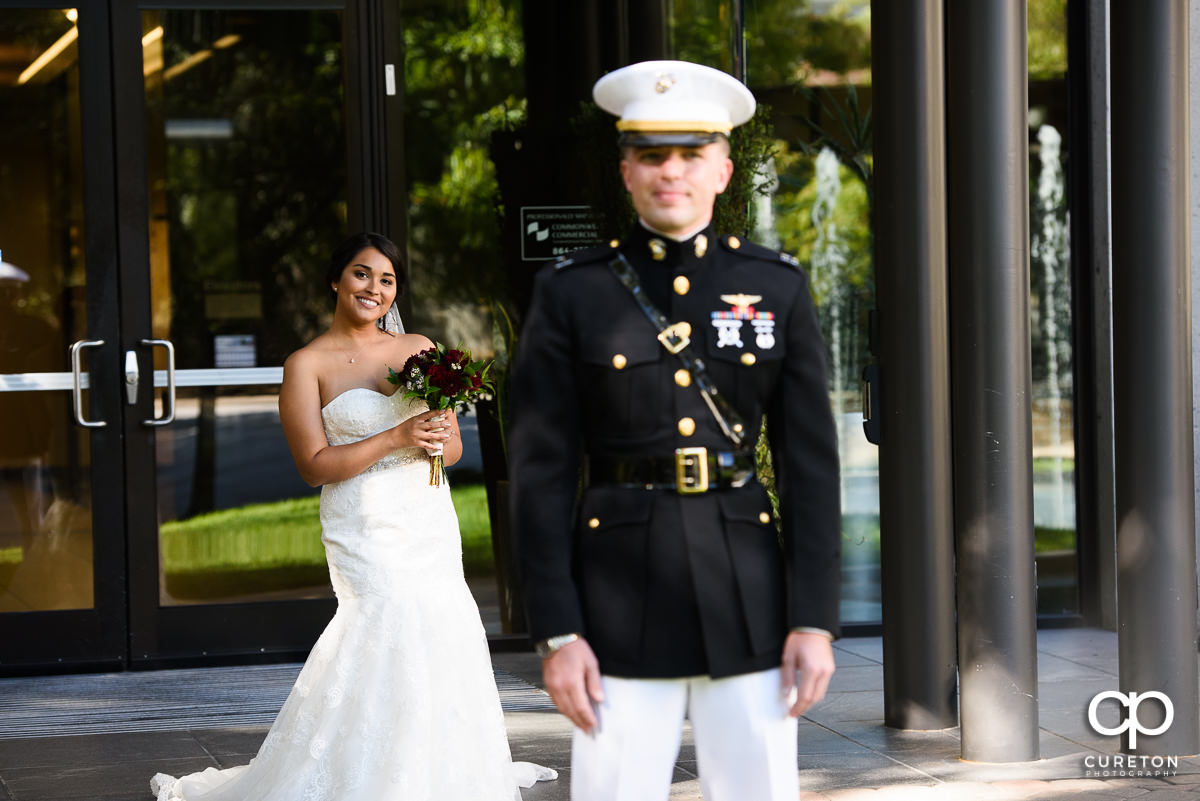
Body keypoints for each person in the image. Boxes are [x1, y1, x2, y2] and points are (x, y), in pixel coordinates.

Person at [508, 61, 841, 801]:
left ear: (723, 170)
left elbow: (809, 468)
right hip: (615, 598)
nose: (672, 172)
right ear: (626, 170)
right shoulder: (572, 293)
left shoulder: (776, 285)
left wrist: (814, 620)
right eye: (653, 156)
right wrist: (558, 632)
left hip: (747, 588)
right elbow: (541, 473)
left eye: (691, 155)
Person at [150, 232, 555, 800]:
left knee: (440, 623)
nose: (375, 288)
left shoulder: (419, 347)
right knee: (383, 627)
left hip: (425, 518)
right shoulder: (305, 364)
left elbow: (455, 450)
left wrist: (437, 435)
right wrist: (397, 435)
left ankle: (438, 770)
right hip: (362, 522)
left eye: (387, 280)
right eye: (363, 274)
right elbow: (314, 466)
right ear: (336, 281)